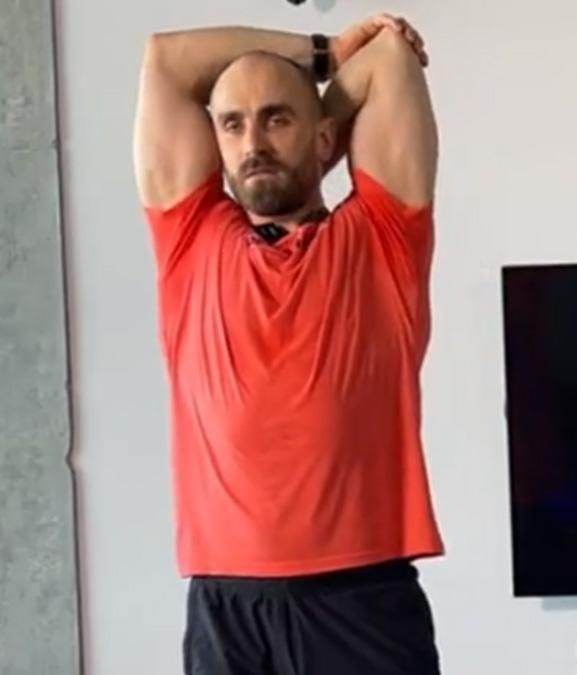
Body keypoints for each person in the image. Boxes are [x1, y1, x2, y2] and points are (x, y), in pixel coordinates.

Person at [133, 13, 444, 675]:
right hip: (226, 606)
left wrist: (315, 116)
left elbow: (390, 55)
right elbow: (165, 60)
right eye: (232, 125)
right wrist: (323, 55)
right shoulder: (189, 240)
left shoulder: (381, 239)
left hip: (359, 598)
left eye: (276, 120)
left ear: (326, 135)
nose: (252, 143)